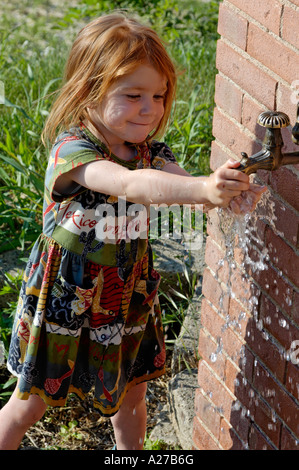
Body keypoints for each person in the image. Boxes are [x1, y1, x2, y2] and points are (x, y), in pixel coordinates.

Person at [0, 12, 266, 451]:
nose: (152, 108)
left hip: (128, 293)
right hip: (69, 293)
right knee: (29, 405)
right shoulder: (74, 152)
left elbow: (177, 183)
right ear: (88, 91)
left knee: (132, 397)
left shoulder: (149, 150)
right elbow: (128, 183)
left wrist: (218, 191)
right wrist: (202, 187)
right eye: (134, 94)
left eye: (159, 95)